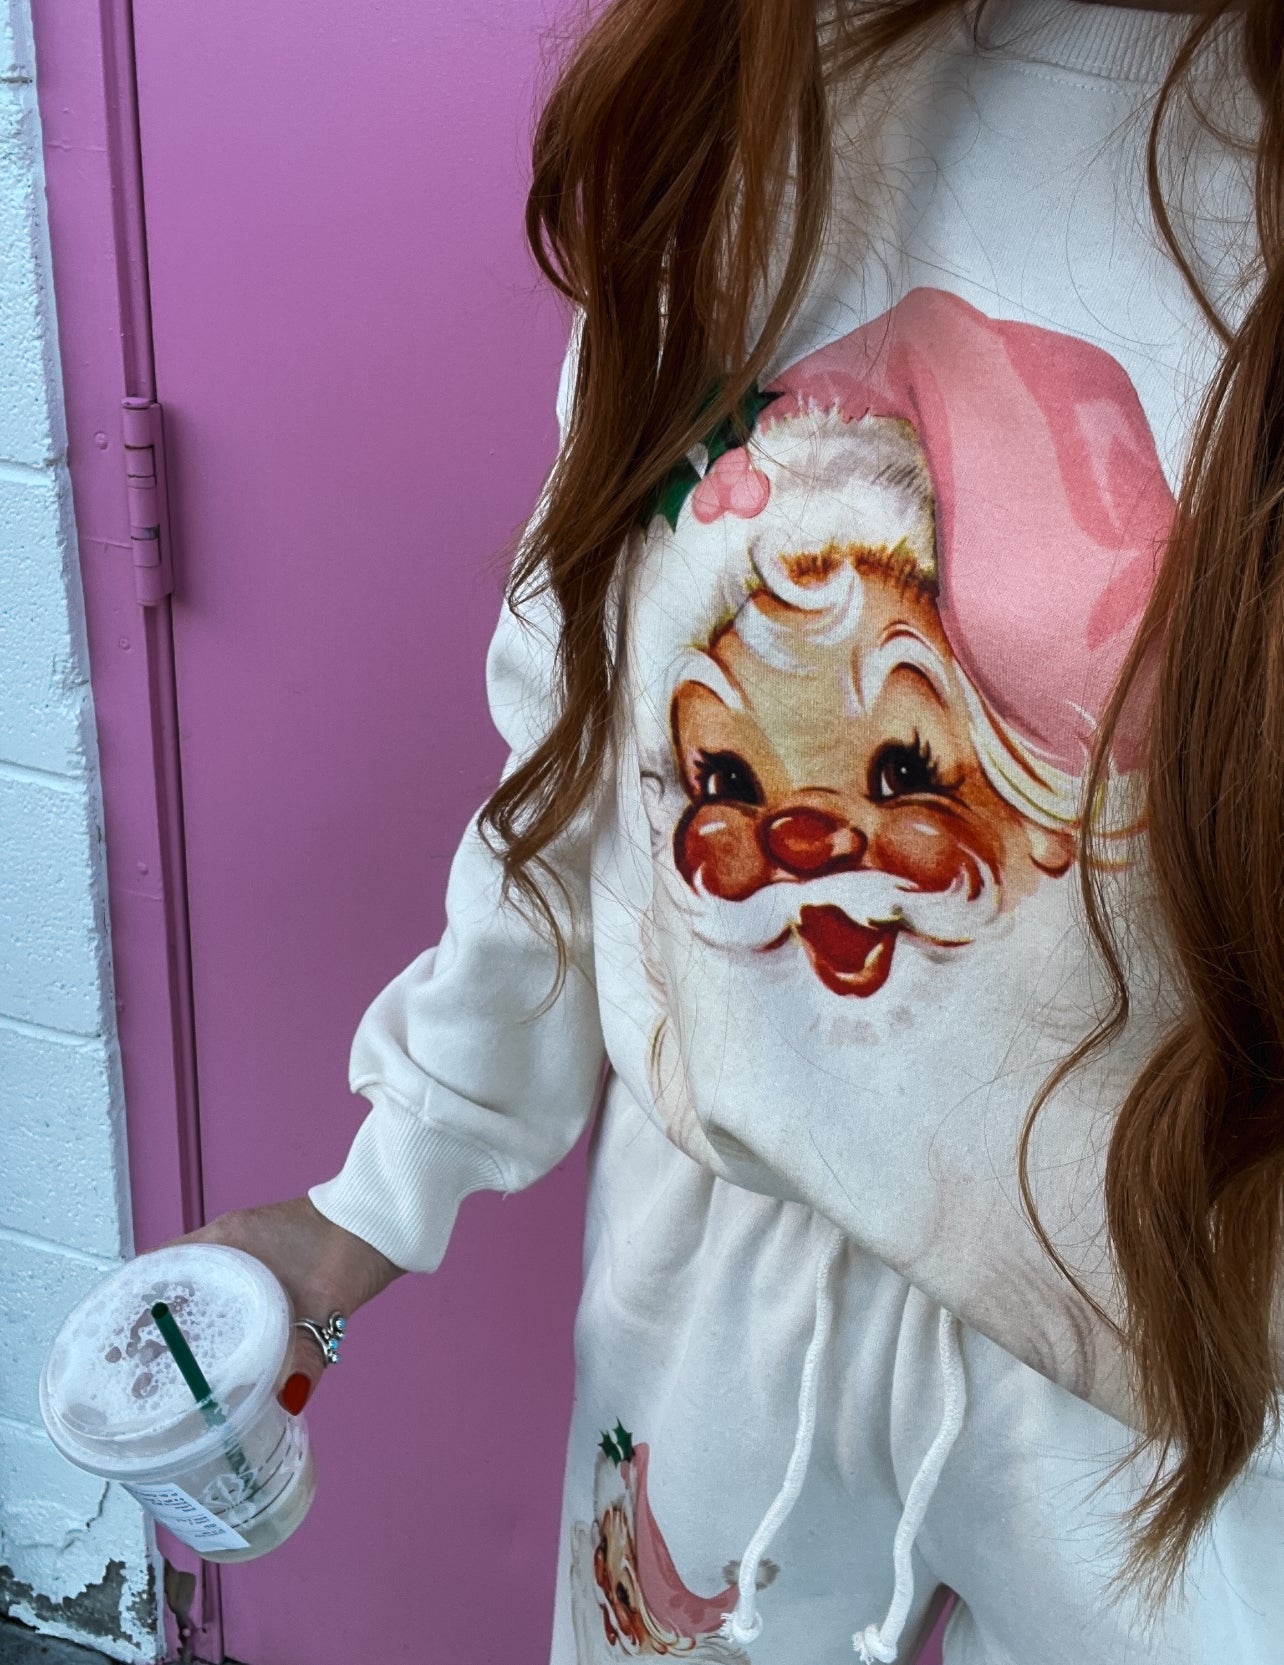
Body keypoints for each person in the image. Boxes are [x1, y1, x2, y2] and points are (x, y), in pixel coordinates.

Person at [190, 1, 1284, 1659]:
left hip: (1183, 1391)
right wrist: (374, 1199)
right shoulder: (755, 101)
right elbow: (581, 754)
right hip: (716, 1309)